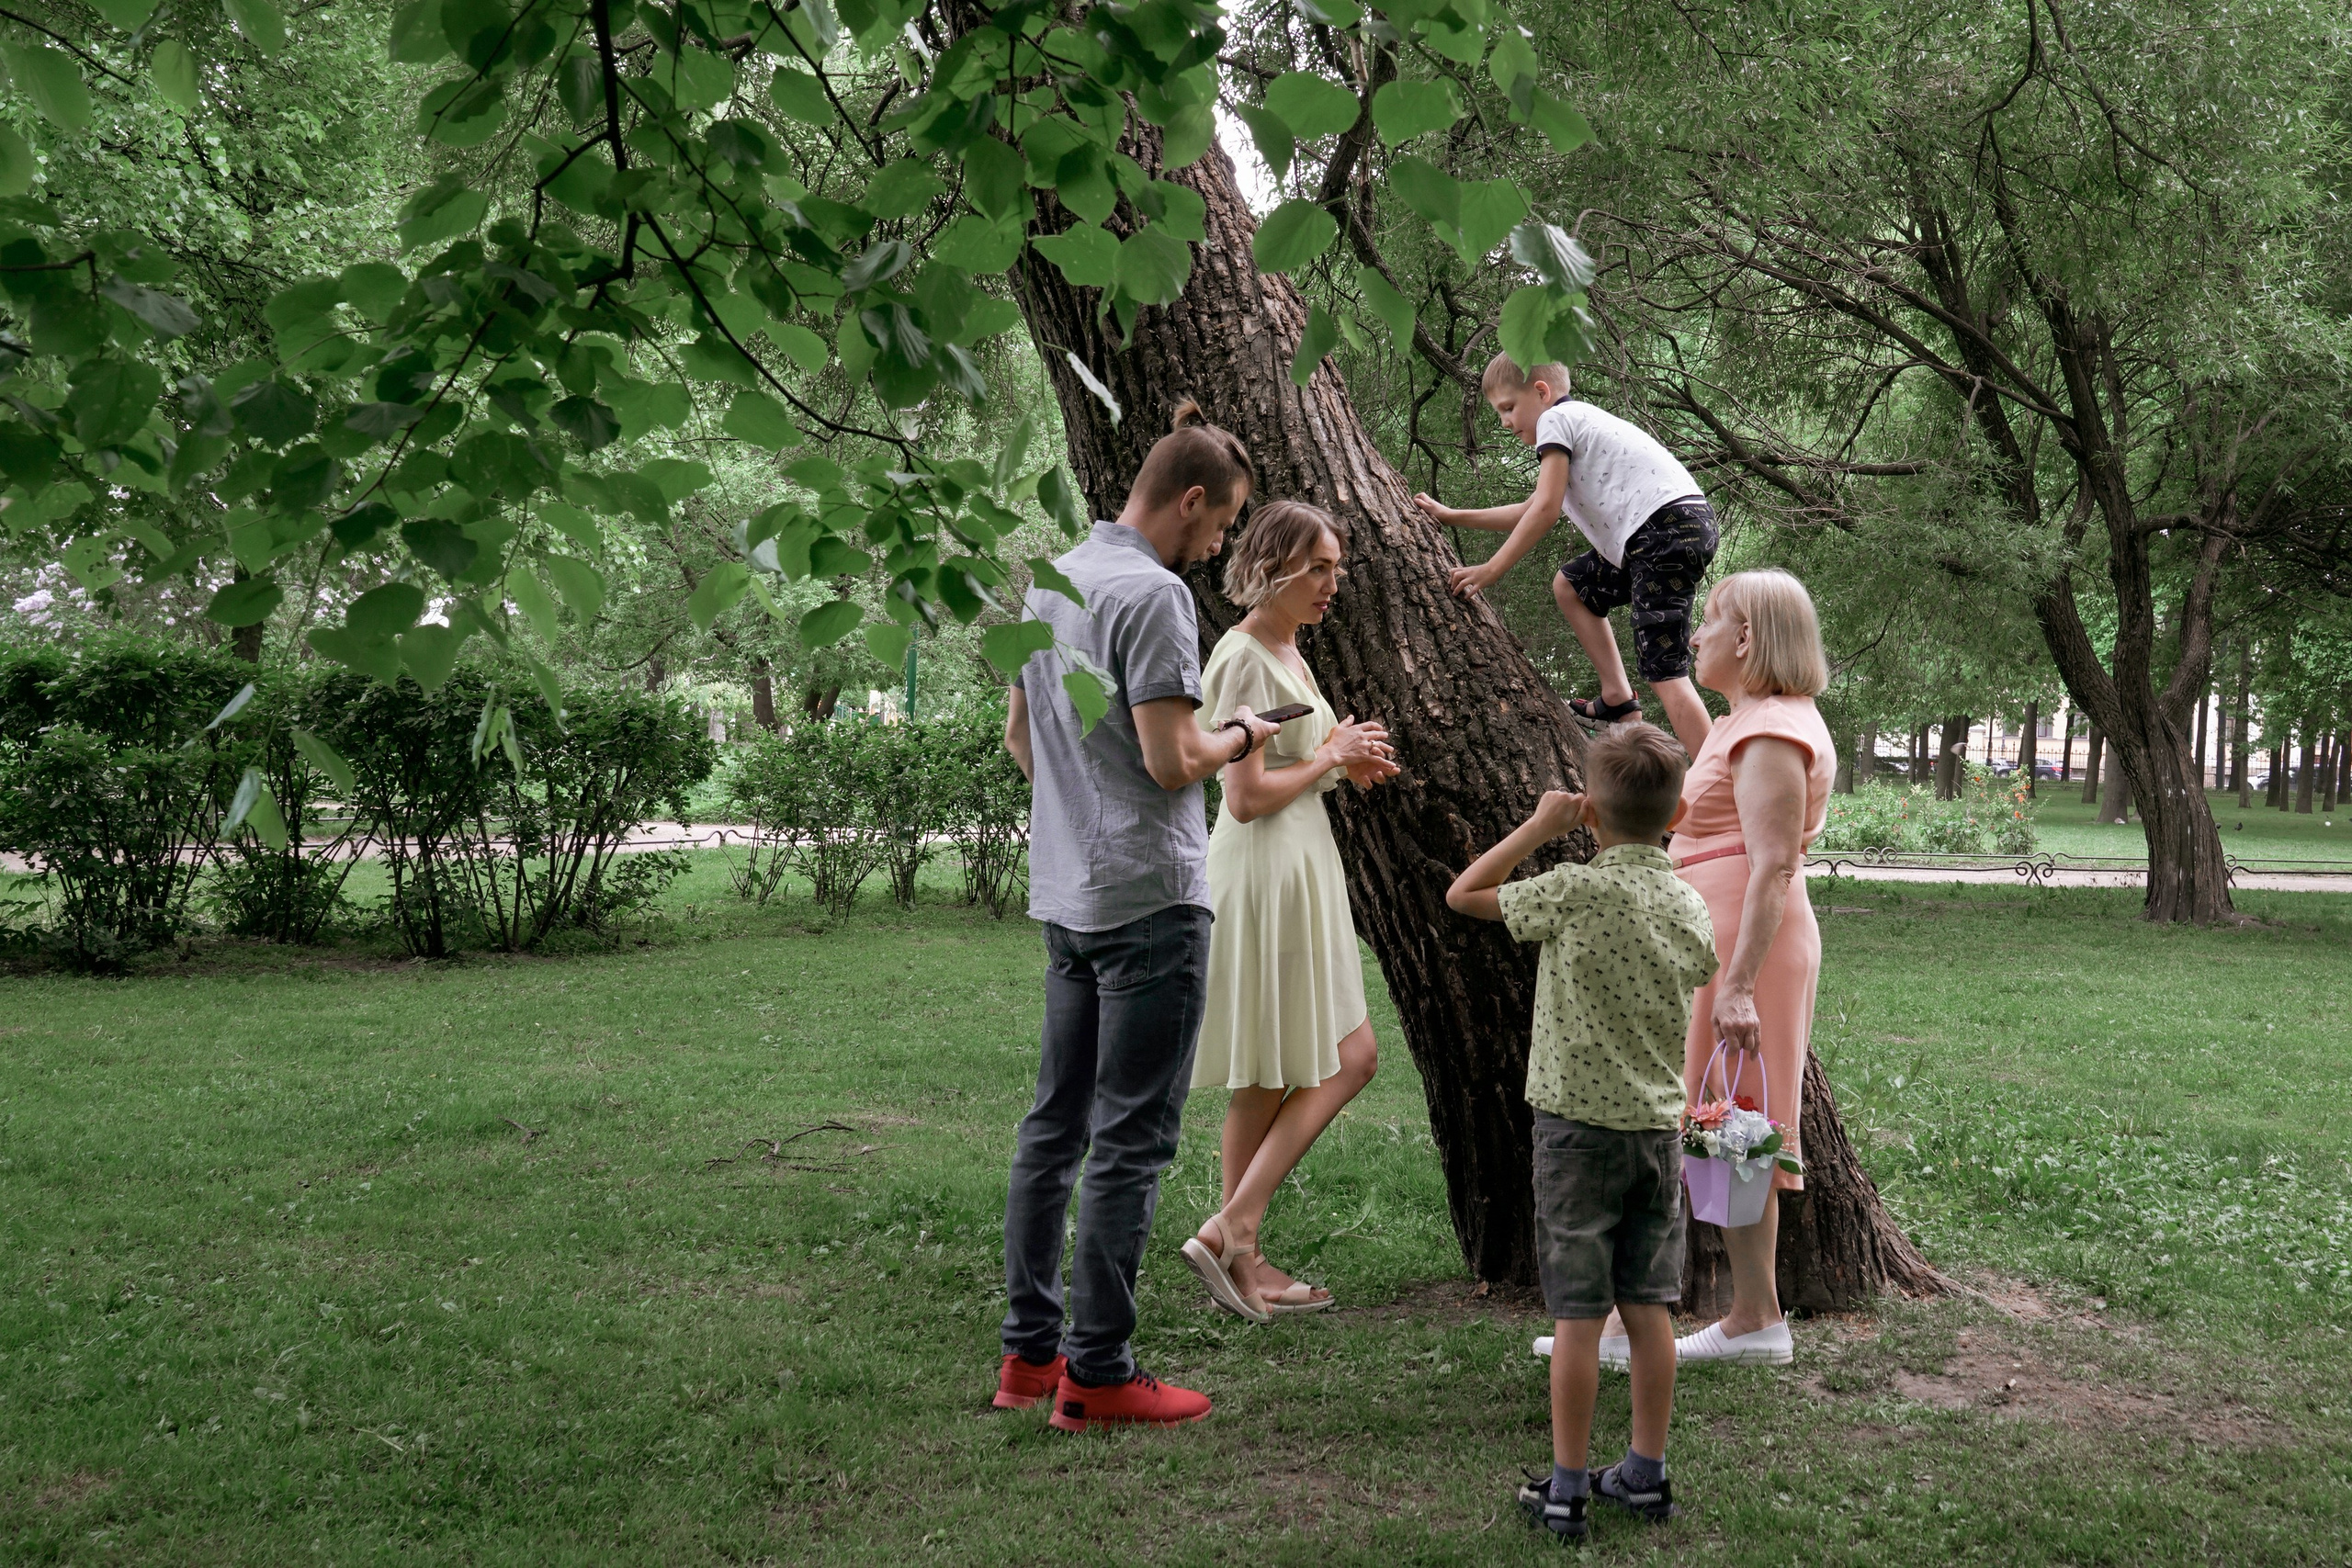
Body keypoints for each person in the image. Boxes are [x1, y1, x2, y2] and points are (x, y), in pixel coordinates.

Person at [992, 400, 1282, 1433]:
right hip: (1151, 901)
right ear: (1190, 499)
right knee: (1128, 1141)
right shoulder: (1155, 597)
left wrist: (1079, 811)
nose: (1215, 551)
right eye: (1219, 528)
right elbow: (1173, 760)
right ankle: (1100, 1372)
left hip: (1069, 897)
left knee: (1053, 1126)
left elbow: (1024, 741)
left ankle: (1027, 1359)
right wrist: (1241, 731)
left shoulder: (1050, 578)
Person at [1446, 724, 1718, 1539]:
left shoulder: (1572, 888)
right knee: (1649, 1306)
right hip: (1654, 1134)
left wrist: (1540, 826)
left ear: (1590, 813)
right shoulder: (1688, 900)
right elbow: (1701, 968)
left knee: (1576, 1313)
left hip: (1573, 1133)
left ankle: (1565, 1487)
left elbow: (1465, 893)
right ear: (1675, 816)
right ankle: (1646, 1471)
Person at [1179, 500, 1402, 1323]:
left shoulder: (1285, 649)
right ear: (1272, 564)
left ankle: (1244, 1255)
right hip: (1267, 866)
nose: (1332, 583)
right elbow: (1242, 797)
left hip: (1301, 863)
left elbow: (1301, 762)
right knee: (1351, 1056)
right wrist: (1331, 759)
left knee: (1271, 1069)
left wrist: (1346, 764)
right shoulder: (1242, 656)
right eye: (1318, 568)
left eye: (1336, 568)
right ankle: (1230, 1224)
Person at [1663, 568, 1838, 1367]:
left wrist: (1735, 981)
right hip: (1723, 938)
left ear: (1746, 638)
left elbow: (1772, 864)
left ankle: (1753, 1319)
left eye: (1710, 619)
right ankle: (1752, 1314)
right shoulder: (1751, 721)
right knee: (1726, 1124)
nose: (1697, 633)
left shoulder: (1772, 729)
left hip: (1747, 947)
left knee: (1736, 1124)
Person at [1411, 355, 1717, 755]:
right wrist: (1452, 516)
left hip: (1661, 530)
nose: (1504, 422)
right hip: (1665, 529)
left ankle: (1724, 781)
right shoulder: (1576, 429)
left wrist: (1492, 568)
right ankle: (1618, 699)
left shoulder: (1557, 420)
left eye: (1508, 408)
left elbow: (1545, 511)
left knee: (1665, 671)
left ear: (1541, 392)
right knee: (1573, 585)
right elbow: (1531, 507)